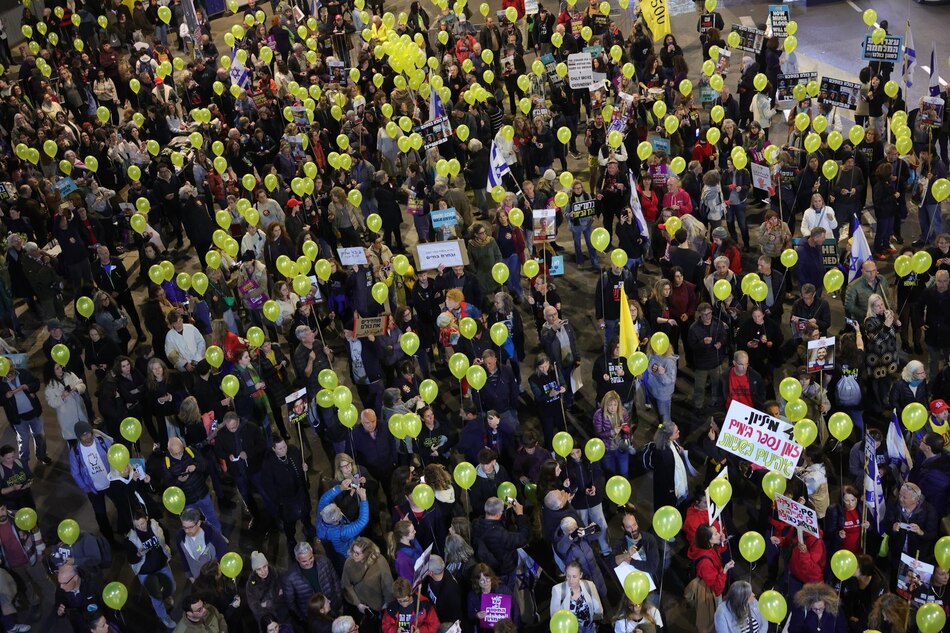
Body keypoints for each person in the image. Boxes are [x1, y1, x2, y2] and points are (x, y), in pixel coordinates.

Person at [124, 508, 176, 629]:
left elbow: (165, 538)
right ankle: (164, 616)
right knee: (156, 596)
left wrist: (166, 552)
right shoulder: (130, 539)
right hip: (146, 572)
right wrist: (138, 555)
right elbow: (131, 559)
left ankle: (166, 595)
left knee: (172, 586)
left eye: (142, 523)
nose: (141, 527)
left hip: (162, 565)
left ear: (147, 518)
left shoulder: (155, 526)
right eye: (137, 525)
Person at [342, 537, 394, 621]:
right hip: (358, 603)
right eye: (353, 551)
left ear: (367, 554)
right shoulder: (349, 562)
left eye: (358, 553)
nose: (354, 555)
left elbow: (387, 585)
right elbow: (346, 585)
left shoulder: (380, 562)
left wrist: (387, 604)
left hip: (377, 605)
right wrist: (358, 603)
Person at [175, 508, 230, 582]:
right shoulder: (180, 537)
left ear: (198, 523)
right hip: (196, 576)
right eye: (184, 527)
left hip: (214, 577)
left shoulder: (212, 536)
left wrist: (220, 575)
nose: (187, 531)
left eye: (190, 527)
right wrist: (189, 575)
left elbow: (224, 554)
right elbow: (183, 557)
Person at [550, 560, 604, 633]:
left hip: (589, 627)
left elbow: (598, 609)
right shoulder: (557, 590)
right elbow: (555, 616)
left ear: (581, 575)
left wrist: (596, 622)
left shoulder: (589, 585)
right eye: (568, 576)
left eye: (574, 576)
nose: (571, 580)